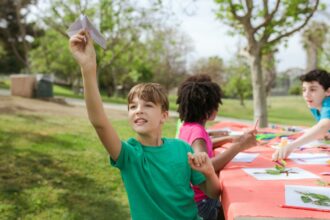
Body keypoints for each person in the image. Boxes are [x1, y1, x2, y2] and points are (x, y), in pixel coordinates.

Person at [69, 30, 221, 220]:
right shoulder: (129, 155)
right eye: (132, 107)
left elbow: (213, 193)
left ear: (164, 116)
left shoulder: (182, 149)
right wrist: (88, 69)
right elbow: (99, 123)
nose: (138, 110)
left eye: (148, 105)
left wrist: (208, 171)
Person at [176, 74, 257, 220]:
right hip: (203, 202)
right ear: (209, 109)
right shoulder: (197, 132)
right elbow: (206, 165)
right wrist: (239, 146)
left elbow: (202, 144)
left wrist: (230, 139)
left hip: (192, 199)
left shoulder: (188, 127)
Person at [272, 69, 330, 160]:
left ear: (328, 92)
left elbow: (323, 126)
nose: (306, 94)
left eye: (313, 89)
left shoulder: (328, 102)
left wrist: (291, 146)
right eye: (304, 89)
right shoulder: (314, 106)